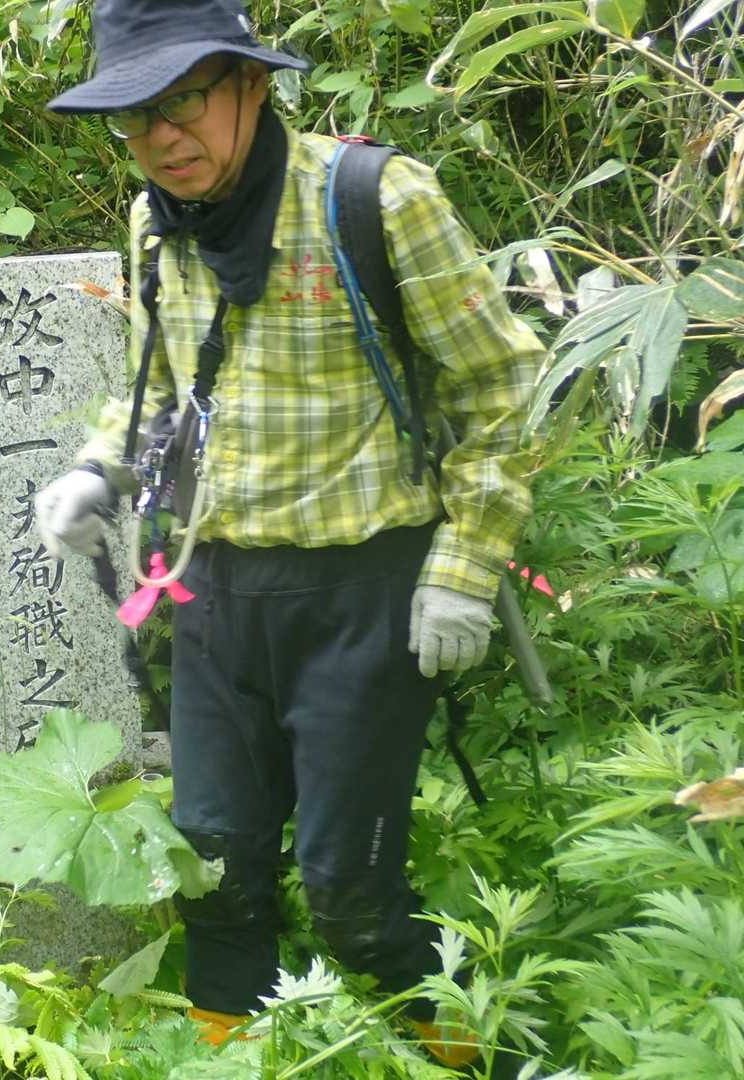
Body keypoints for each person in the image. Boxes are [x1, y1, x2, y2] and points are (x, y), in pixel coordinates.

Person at [34, 0, 544, 1064]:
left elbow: (503, 387)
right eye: (131, 116)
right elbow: (161, 389)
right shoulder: (156, 222)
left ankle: (480, 1051)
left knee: (350, 887)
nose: (160, 137)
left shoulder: (374, 199)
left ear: (252, 84)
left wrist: (463, 566)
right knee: (213, 867)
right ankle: (231, 1052)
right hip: (214, 593)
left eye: (182, 101)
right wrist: (97, 468)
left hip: (363, 595)